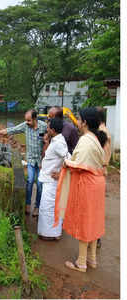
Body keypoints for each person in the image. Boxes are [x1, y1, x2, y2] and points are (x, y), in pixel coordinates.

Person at [53, 107, 108, 273]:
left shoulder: (86, 140)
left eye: (78, 118)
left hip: (88, 184)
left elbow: (80, 165)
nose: (76, 121)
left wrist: (66, 163)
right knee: (93, 221)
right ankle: (92, 259)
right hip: (97, 184)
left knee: (84, 221)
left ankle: (81, 263)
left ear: (84, 122)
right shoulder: (95, 138)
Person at [0, 109, 47, 216]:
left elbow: (51, 138)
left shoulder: (44, 126)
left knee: (39, 184)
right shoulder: (25, 126)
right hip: (30, 159)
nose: (27, 122)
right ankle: (28, 204)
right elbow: (11, 130)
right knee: (29, 181)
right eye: (26, 120)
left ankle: (37, 207)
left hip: (41, 161)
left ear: (35, 119)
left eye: (29, 120)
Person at [37, 118, 71, 240]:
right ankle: (50, 233)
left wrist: (61, 173)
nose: (46, 129)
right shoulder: (55, 140)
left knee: (49, 207)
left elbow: (69, 159)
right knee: (48, 207)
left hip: (52, 181)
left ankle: (51, 234)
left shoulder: (58, 143)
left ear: (53, 130)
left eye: (48, 127)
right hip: (49, 180)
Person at [96, 106, 112, 249]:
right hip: (101, 171)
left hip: (98, 172)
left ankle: (96, 237)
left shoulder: (102, 132)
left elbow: (103, 157)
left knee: (95, 207)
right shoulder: (102, 130)